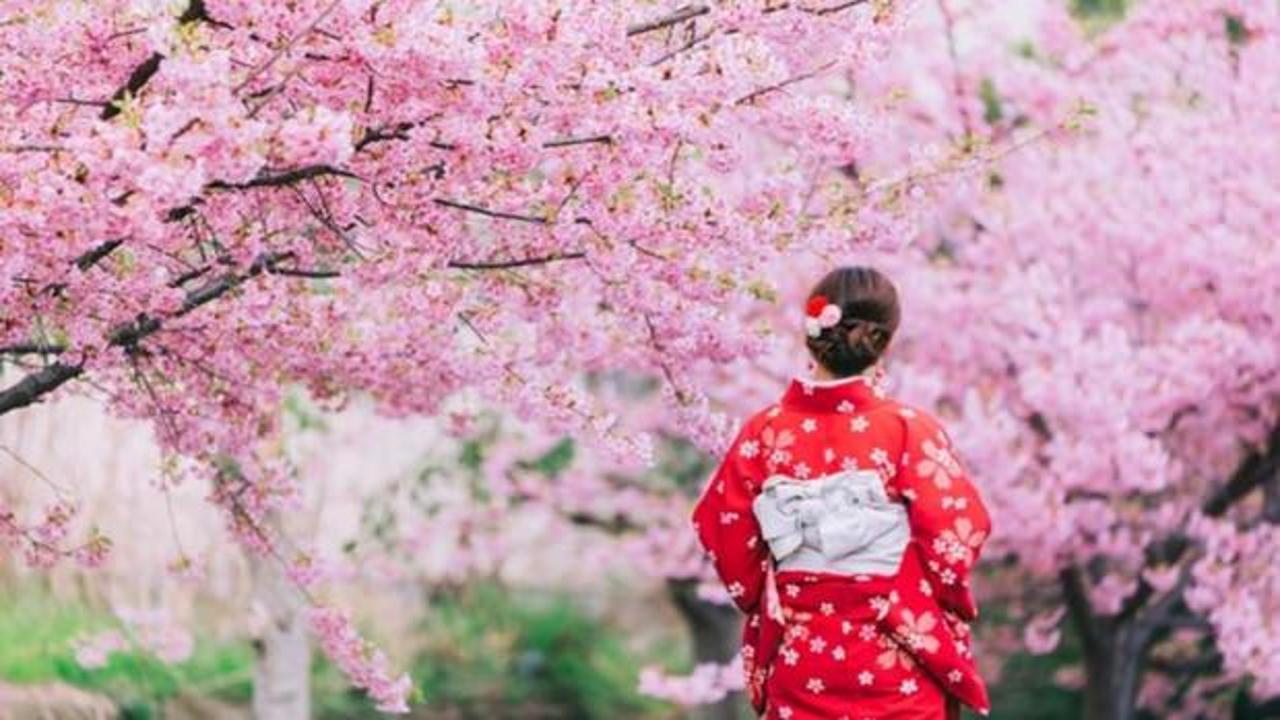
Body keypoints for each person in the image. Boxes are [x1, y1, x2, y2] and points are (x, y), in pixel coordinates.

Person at [691, 266, 993, 719]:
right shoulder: (909, 430)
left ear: (813, 334)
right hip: (895, 660)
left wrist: (777, 595)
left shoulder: (764, 432)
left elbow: (722, 527)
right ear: (885, 341)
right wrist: (905, 594)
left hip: (803, 656)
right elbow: (957, 533)